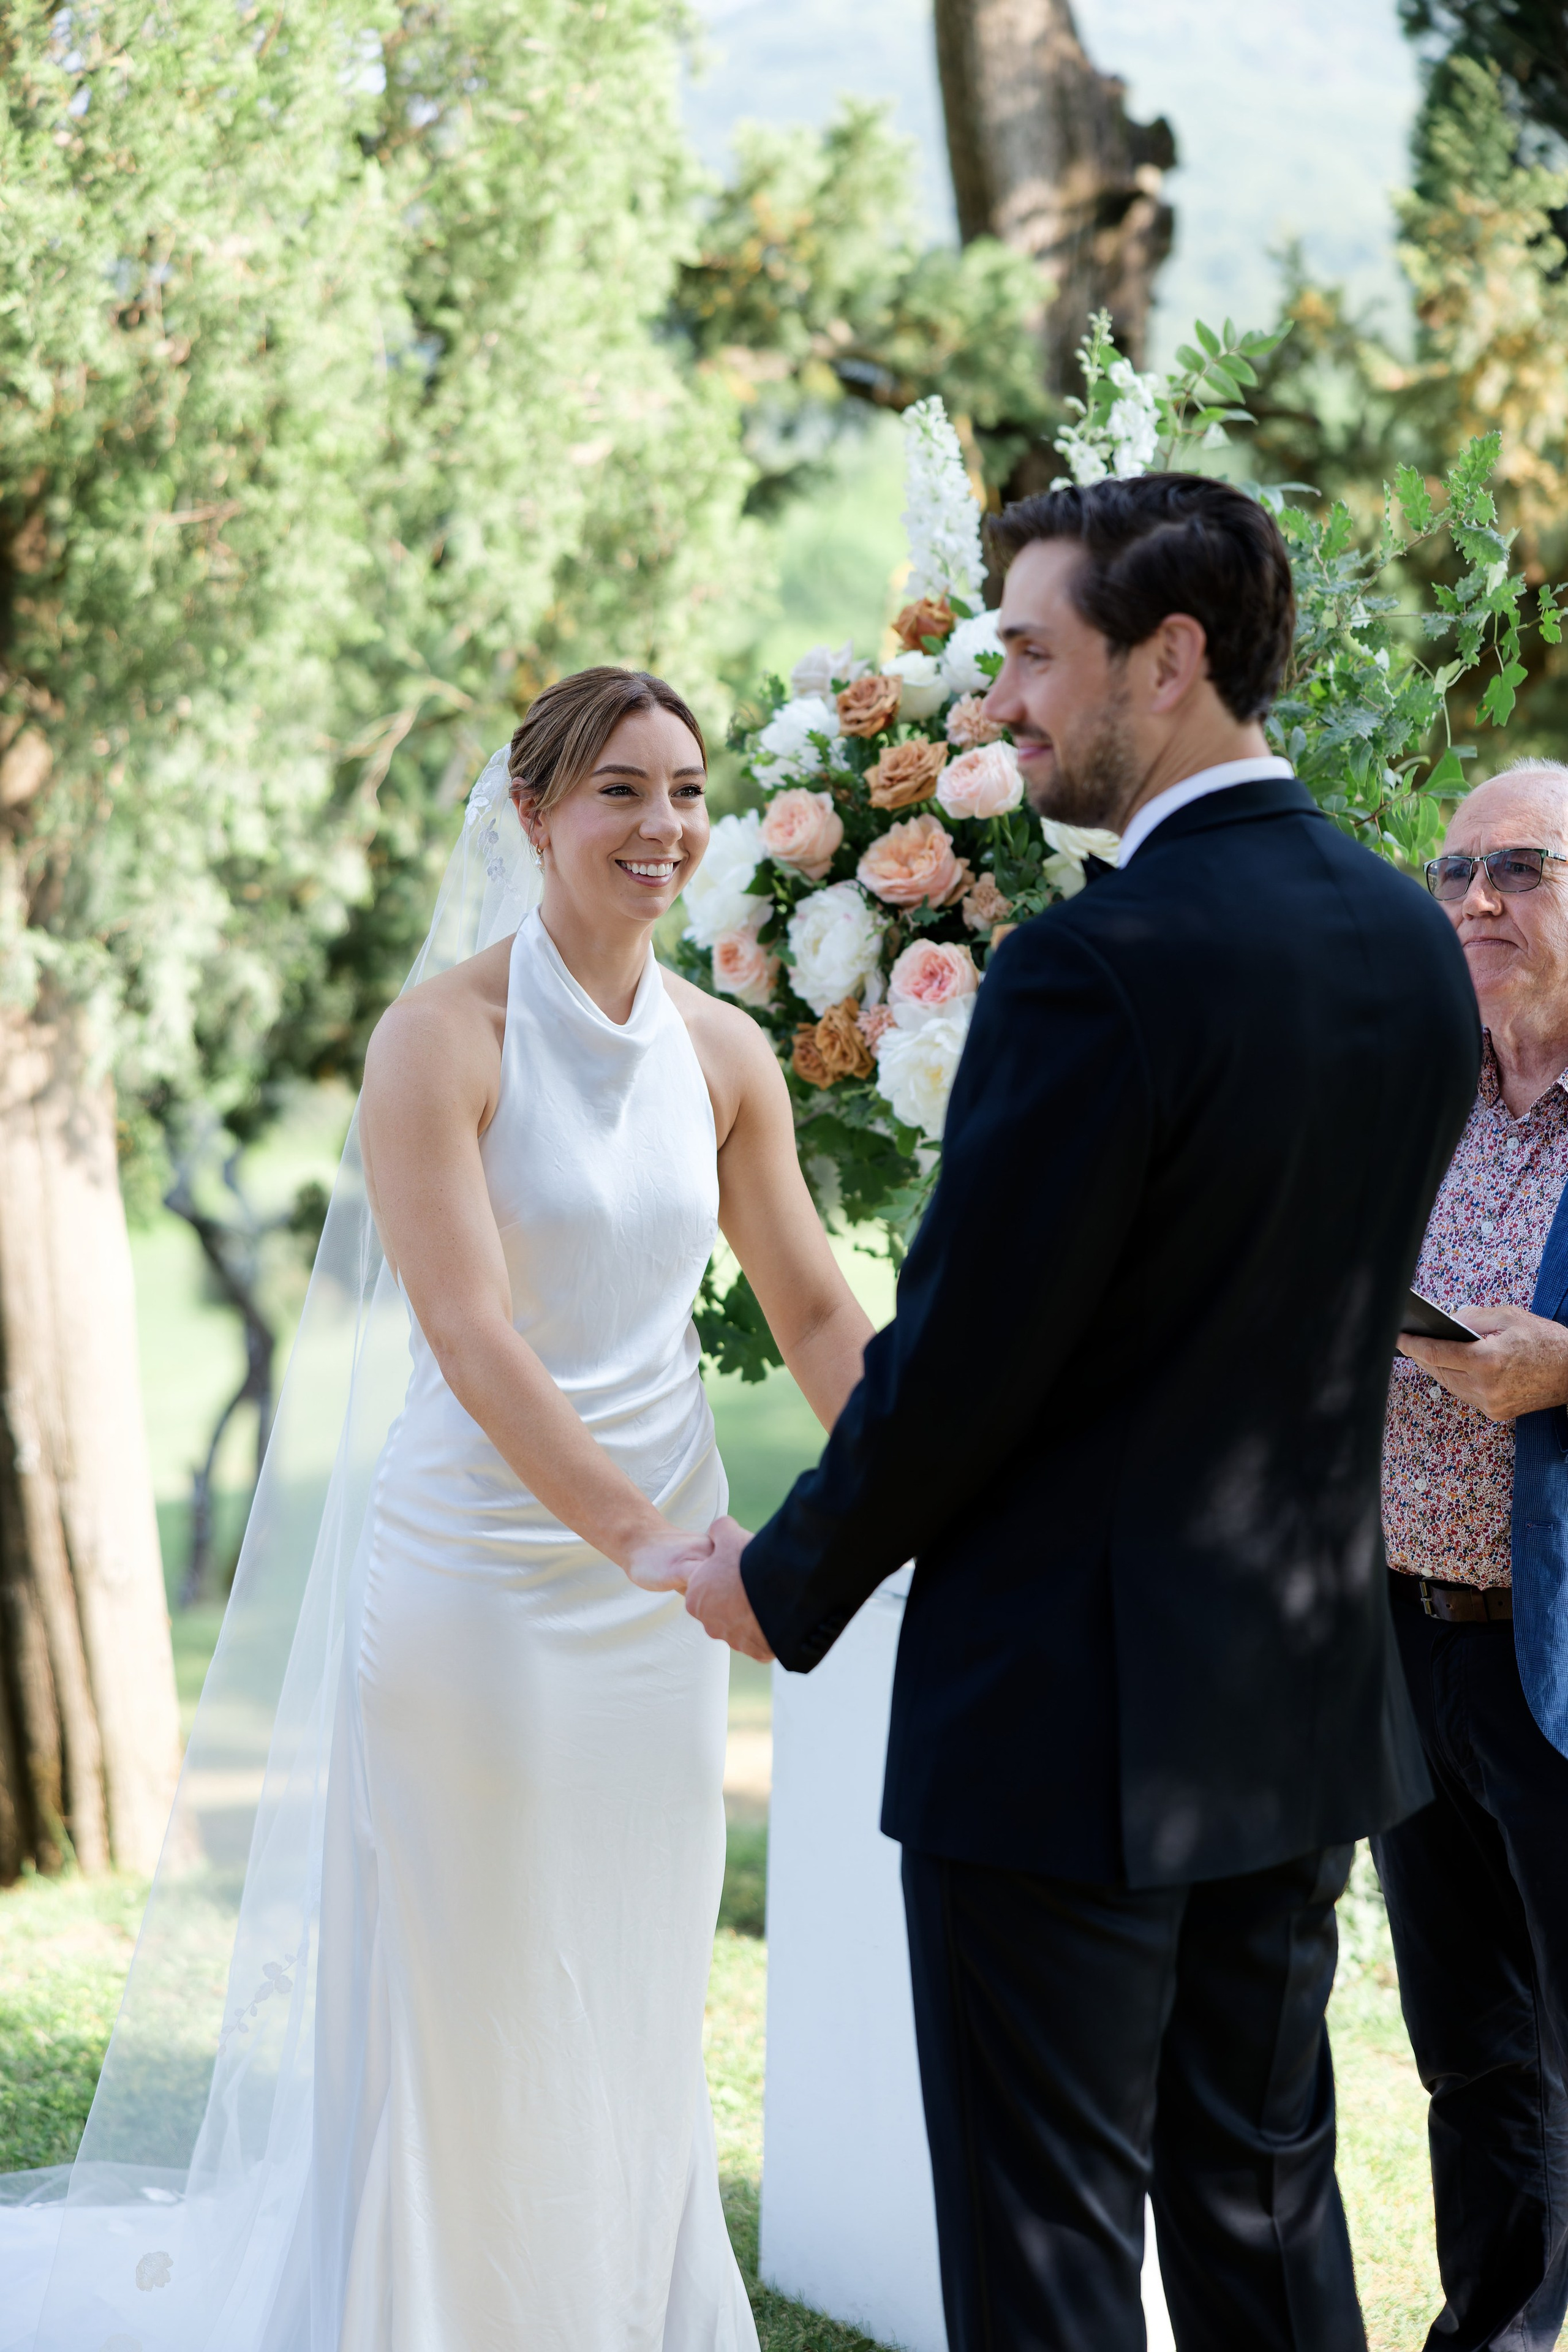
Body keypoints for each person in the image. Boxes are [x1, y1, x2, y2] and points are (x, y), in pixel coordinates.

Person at [657, 476, 1483, 2352]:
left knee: (1047, 2263)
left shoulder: (1093, 969)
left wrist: (781, 1580)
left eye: (1034, 652)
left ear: (1168, 659)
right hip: (1295, 1699)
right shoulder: (1405, 941)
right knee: (1267, 2222)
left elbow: (964, 1362)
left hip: (1065, 1725)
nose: (1000, 699)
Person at [0, 669, 873, 2351]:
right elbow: (470, 1334)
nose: (663, 825)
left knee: (625, 1982)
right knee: (472, 1984)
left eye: (686, 791)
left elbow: (819, 1315)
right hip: (481, 1578)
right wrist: (639, 1537)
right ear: (534, 814)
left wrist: (921, 1491)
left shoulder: (725, 1051)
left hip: (662, 1605)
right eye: (619, 790)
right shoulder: (441, 1040)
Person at [1376, 761, 1568, 2352]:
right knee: (1474, 2051)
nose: (1479, 903)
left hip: (1562, 1649)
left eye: (1522, 870)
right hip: (1405, 1642)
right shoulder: (1410, 1087)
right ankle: (1492, 2335)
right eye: (1455, 873)